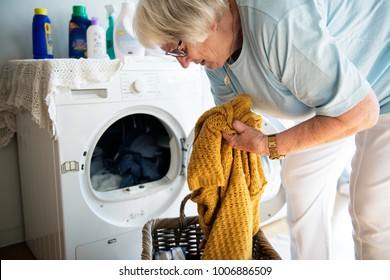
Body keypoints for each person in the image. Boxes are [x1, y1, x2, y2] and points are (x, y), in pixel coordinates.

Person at [133, 0, 390, 259]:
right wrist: (219, 223)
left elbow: (361, 112)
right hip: (339, 98)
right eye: (173, 53)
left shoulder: (276, 21)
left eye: (180, 48)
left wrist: (269, 145)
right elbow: (232, 144)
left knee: (371, 209)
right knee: (300, 175)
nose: (184, 63)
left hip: (382, 82)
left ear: (208, 20)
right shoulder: (215, 59)